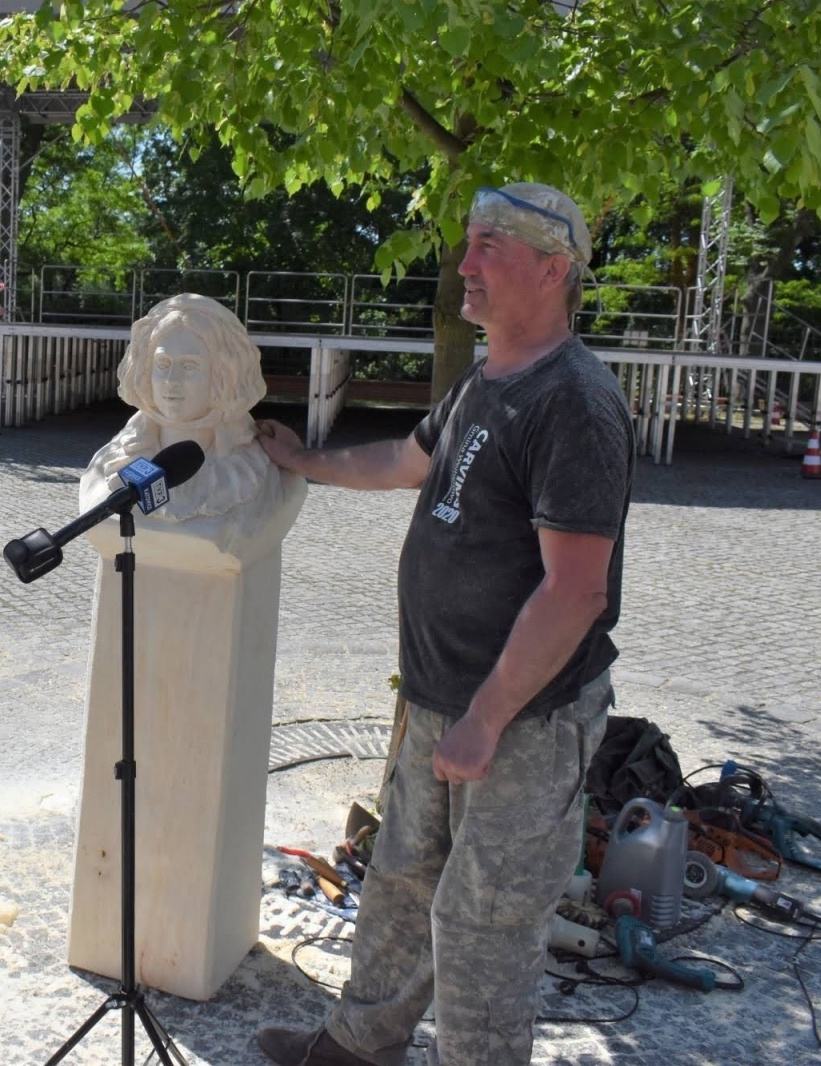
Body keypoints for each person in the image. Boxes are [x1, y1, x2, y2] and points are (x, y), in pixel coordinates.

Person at [253, 183, 635, 1066]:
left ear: (553, 268)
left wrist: (487, 716)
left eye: (489, 246)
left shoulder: (574, 401)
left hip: (521, 724)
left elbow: (576, 591)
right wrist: (305, 459)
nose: (463, 265)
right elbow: (407, 461)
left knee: (483, 929)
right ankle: (357, 1046)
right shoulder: (487, 375)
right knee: (398, 885)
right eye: (466, 242)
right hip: (441, 700)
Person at [80, 292, 303, 553]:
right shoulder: (109, 463)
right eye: (162, 363)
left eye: (189, 367)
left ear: (223, 376)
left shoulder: (261, 478)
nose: (171, 380)